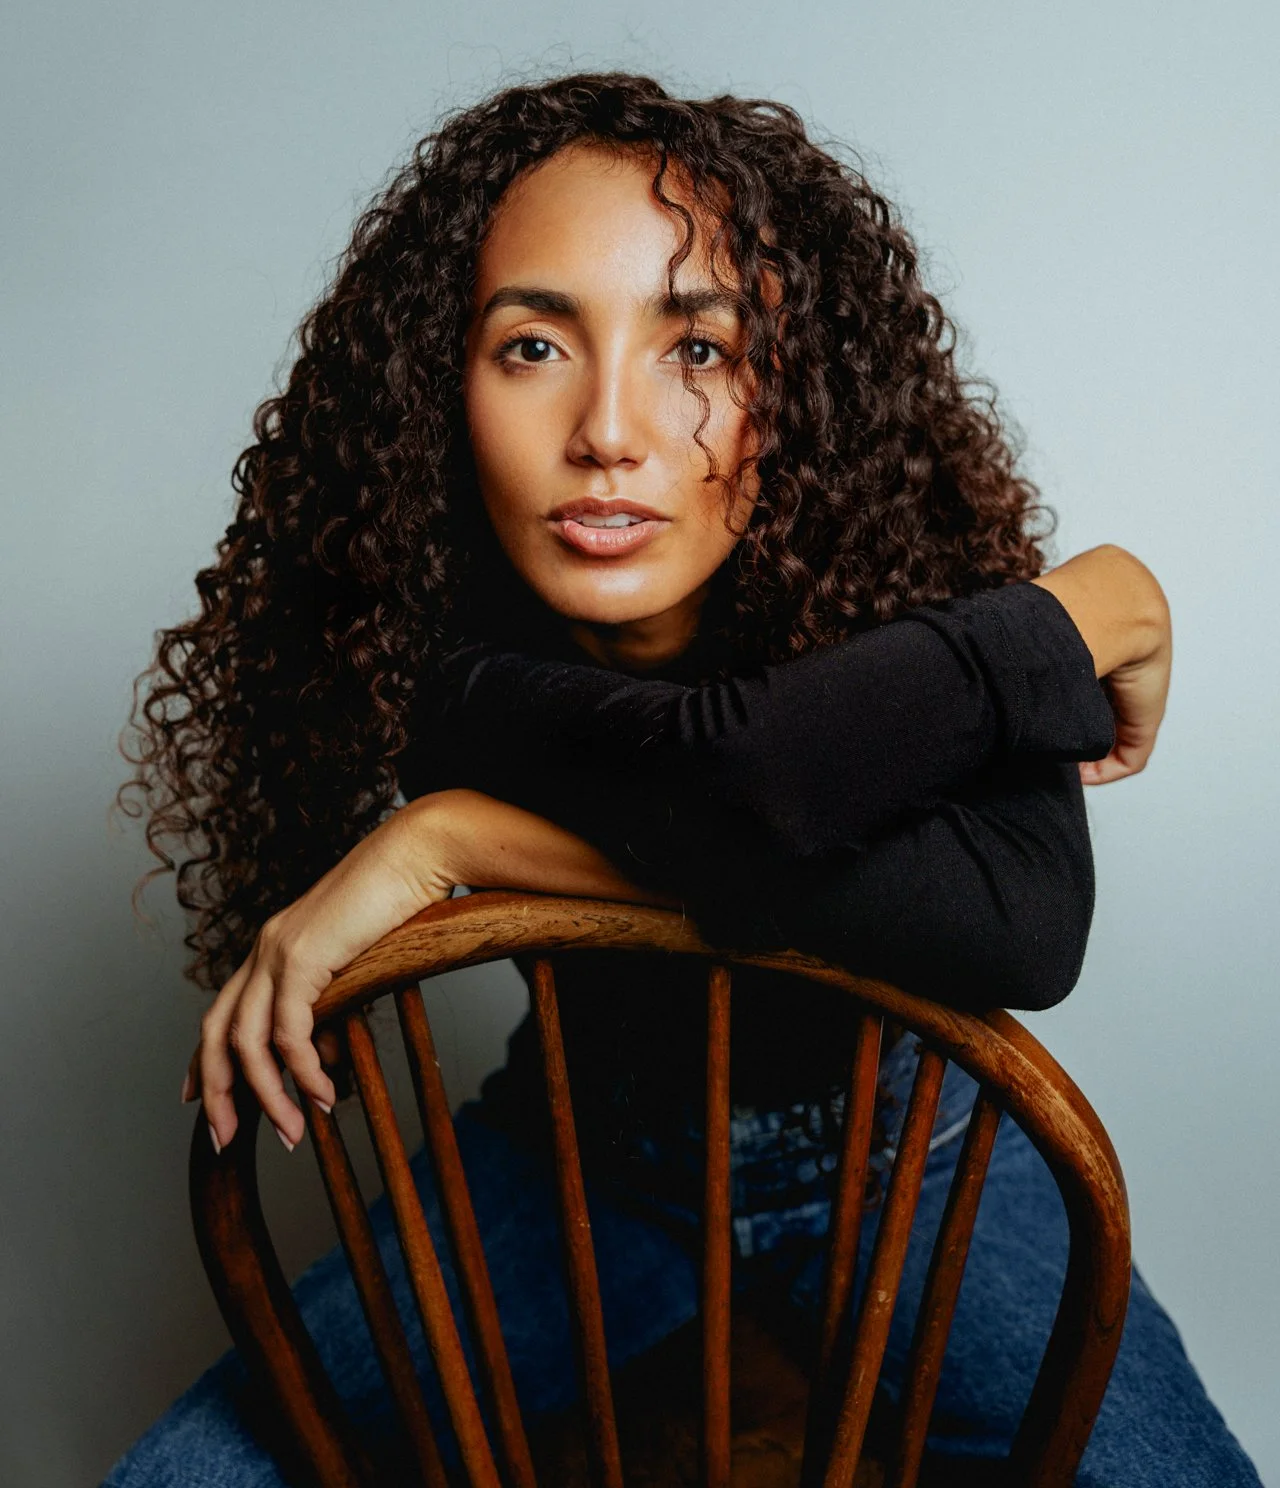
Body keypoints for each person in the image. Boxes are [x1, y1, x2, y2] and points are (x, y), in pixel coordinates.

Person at [109, 74, 1260, 1484]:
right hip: (580, 1167)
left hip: (933, 1167)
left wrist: (461, 843)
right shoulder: (440, 650)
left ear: (799, 385)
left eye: (698, 349)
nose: (608, 428)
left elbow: (1018, 928)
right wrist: (1090, 610)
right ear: (439, 389)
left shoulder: (910, 598)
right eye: (533, 345)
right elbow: (751, 795)